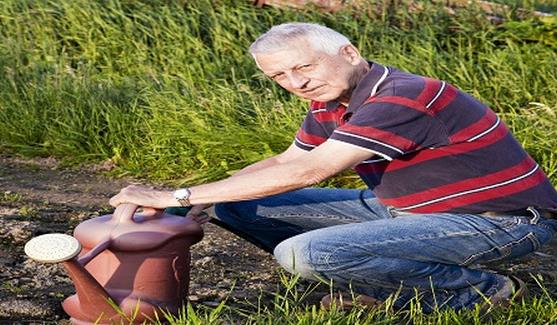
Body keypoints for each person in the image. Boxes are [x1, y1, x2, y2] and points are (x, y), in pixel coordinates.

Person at [109, 22, 557, 312]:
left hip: (497, 222)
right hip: (407, 209)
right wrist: (202, 196)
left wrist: (174, 197)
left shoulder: (401, 96)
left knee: (304, 253)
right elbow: (289, 161)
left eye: (304, 67)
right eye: (279, 77)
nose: (296, 83)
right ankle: (383, 288)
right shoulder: (331, 98)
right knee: (237, 207)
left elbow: (311, 172)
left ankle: (474, 291)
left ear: (348, 52)